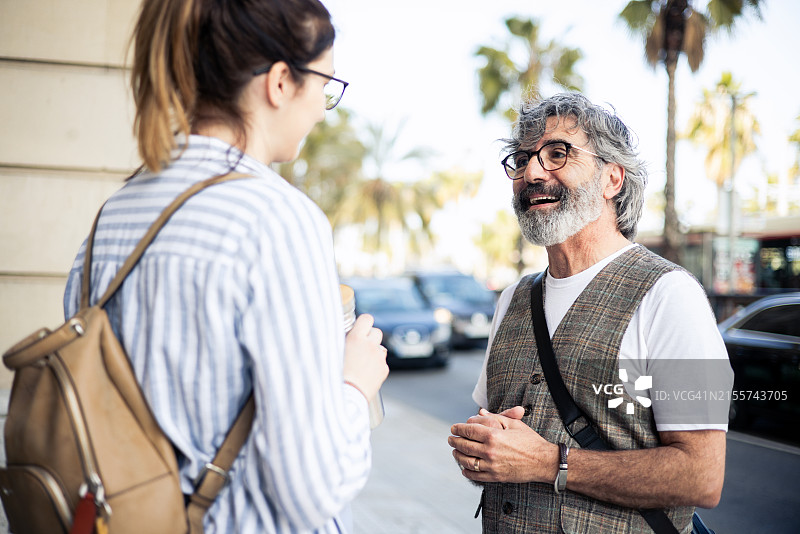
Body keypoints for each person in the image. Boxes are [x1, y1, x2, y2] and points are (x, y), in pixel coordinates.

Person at [63, 0, 389, 532]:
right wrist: (353, 383)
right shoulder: (278, 219)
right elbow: (315, 487)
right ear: (281, 82)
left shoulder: (113, 215)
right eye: (325, 86)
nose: (322, 108)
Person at [448, 92, 733, 533]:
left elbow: (702, 476)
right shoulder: (511, 300)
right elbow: (504, 440)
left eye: (557, 153)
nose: (532, 172)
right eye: (521, 159)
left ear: (612, 179)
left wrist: (550, 463)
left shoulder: (670, 297)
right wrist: (483, 451)